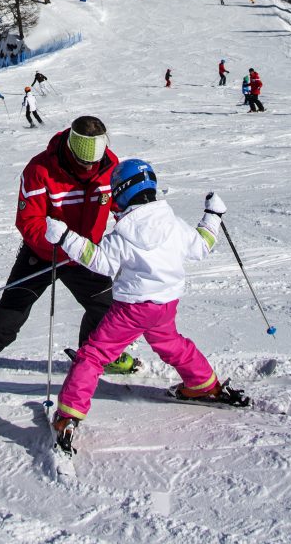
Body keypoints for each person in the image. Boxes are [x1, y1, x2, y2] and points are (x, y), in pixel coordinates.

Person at [47, 163, 248, 452]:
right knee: (171, 344)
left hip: (131, 310)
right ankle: (203, 384)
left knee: (93, 355)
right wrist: (213, 215)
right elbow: (202, 245)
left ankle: (68, 415)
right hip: (165, 305)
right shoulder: (173, 224)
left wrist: (66, 238)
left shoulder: (123, 234)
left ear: (122, 194)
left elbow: (99, 261)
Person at [0, 117, 137, 416]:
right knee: (8, 321)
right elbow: (28, 222)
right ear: (70, 148)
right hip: (43, 254)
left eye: (95, 162)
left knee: (110, 310)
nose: (90, 168)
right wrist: (59, 245)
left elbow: (118, 205)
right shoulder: (40, 170)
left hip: (85, 254)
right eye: (84, 162)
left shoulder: (109, 164)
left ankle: (95, 354)